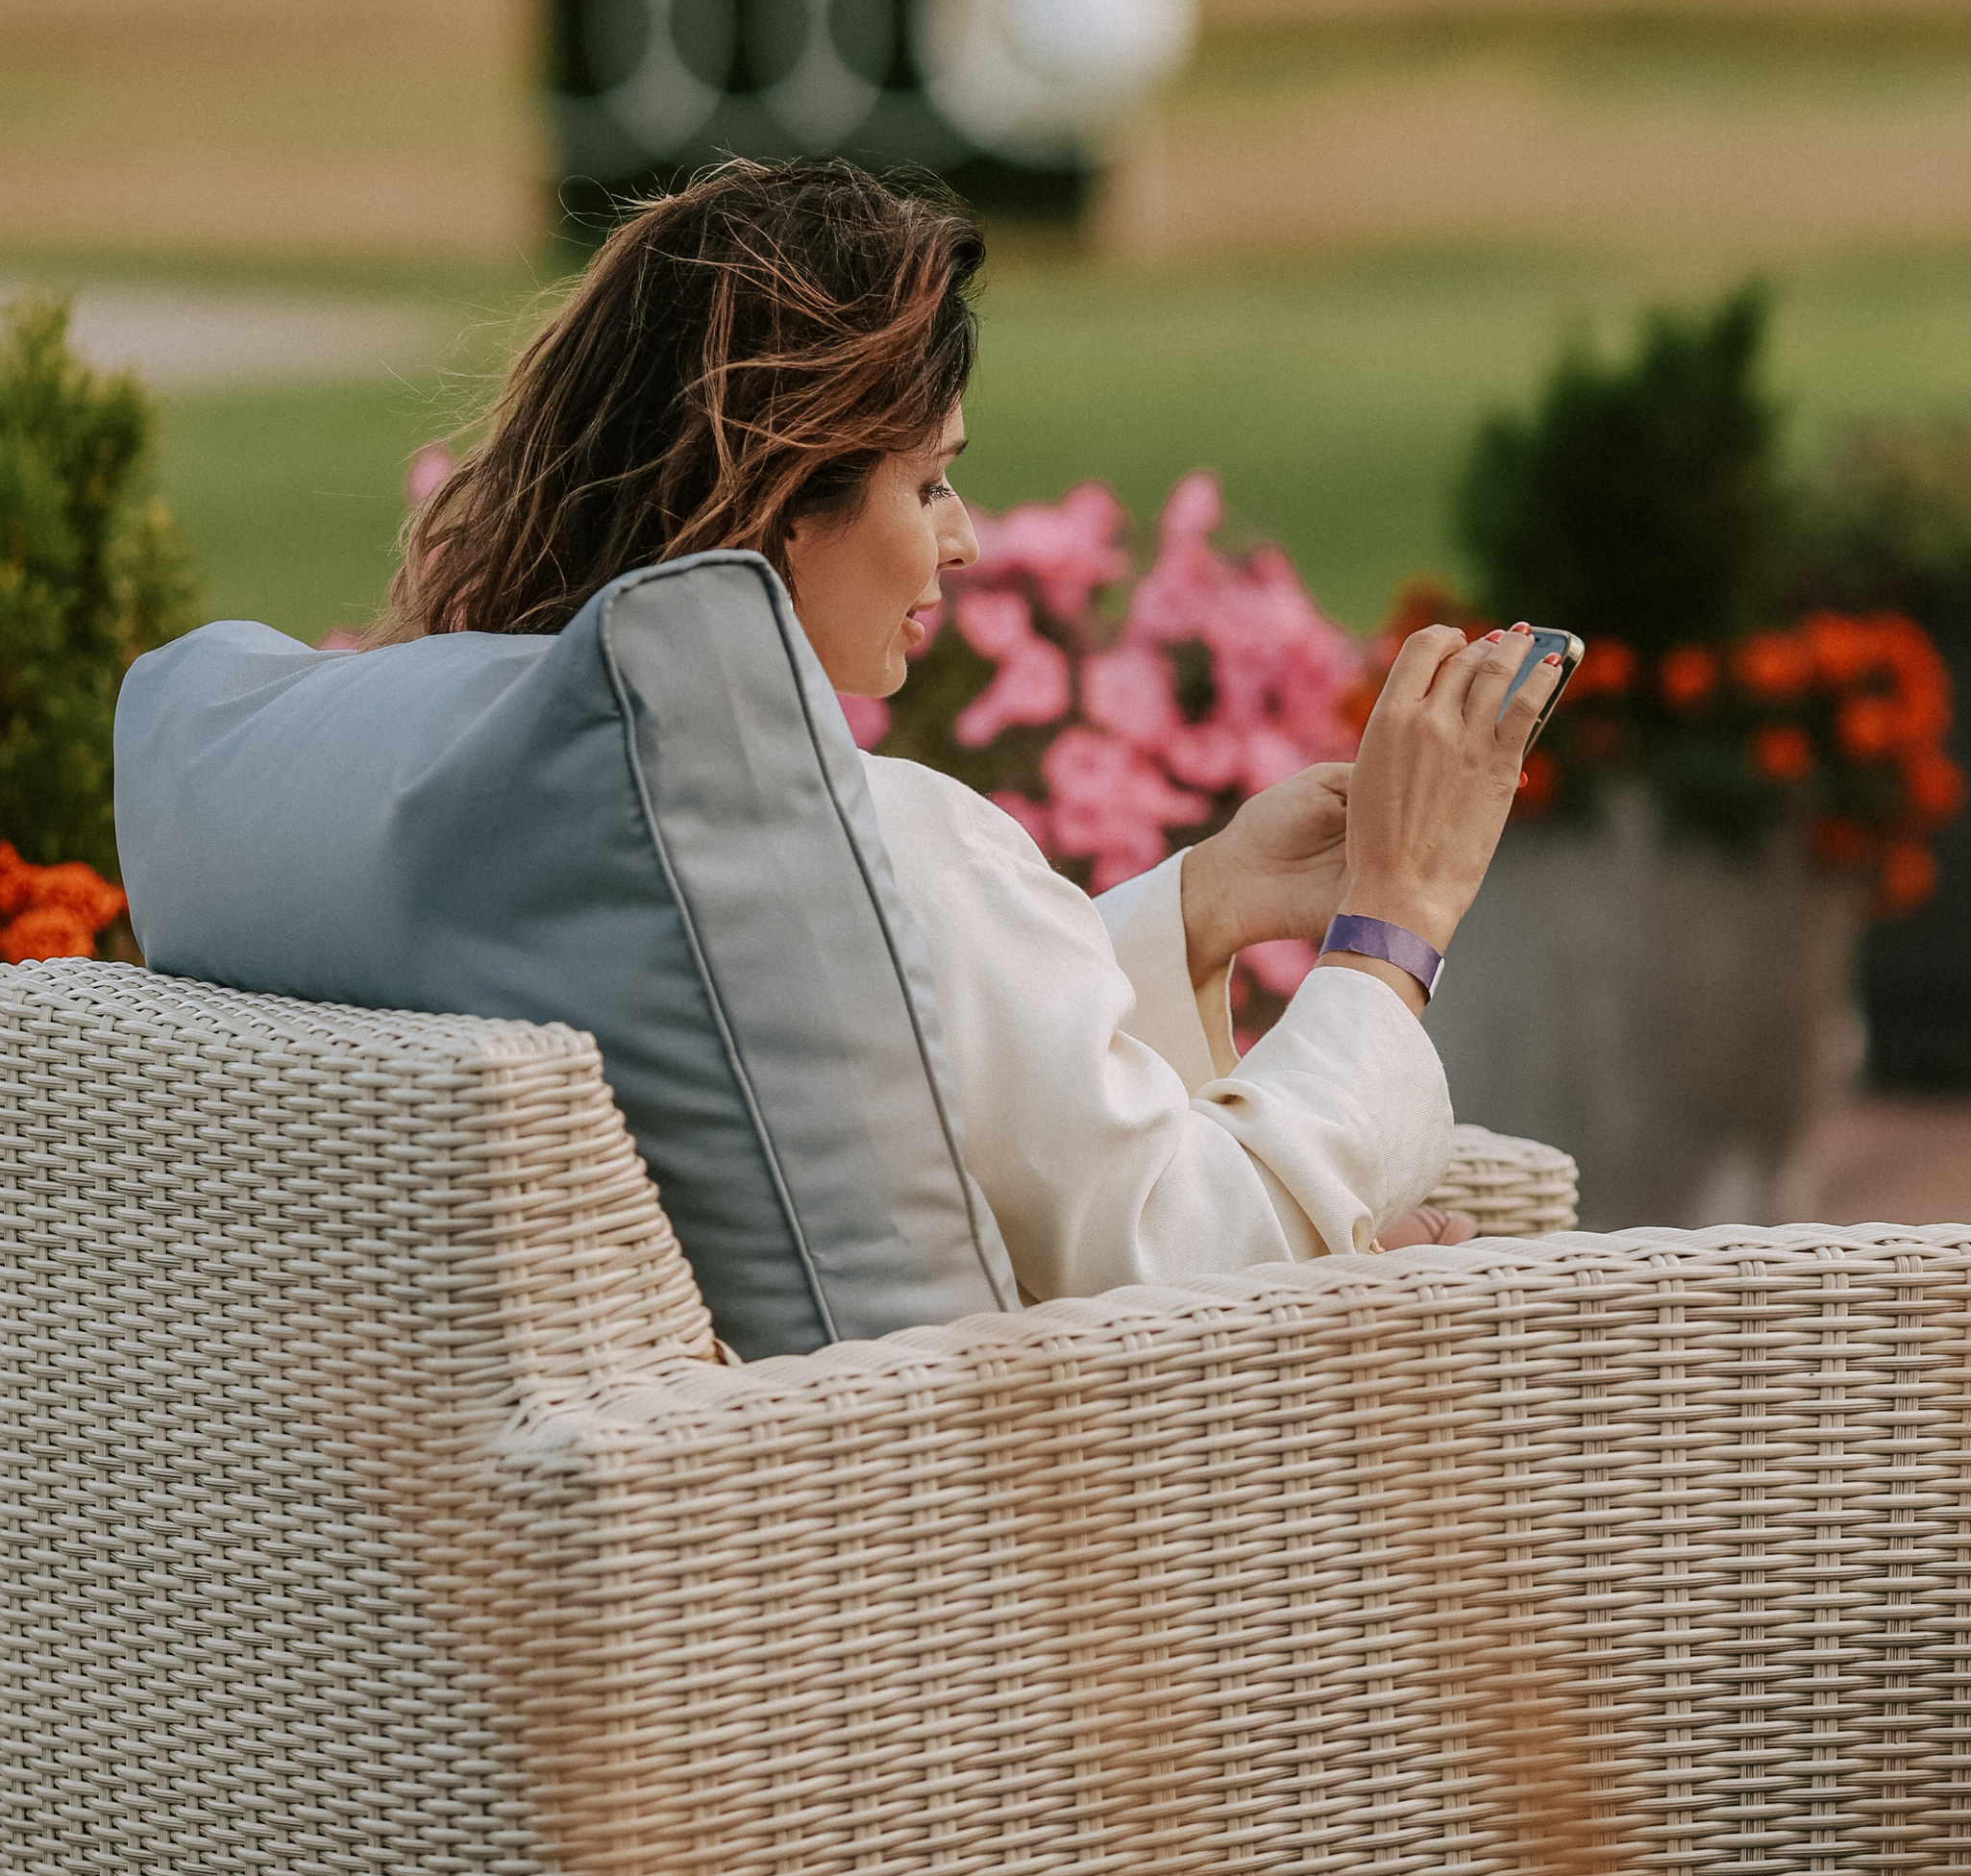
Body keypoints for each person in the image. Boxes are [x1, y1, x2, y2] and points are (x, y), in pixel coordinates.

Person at [390, 159, 1557, 1305]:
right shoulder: (877, 841)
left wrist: (1205, 904)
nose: (964, 543)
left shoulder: (478, 789)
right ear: (783, 498)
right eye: (930, 484)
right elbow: (1188, 1266)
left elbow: (892, 1035)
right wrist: (1391, 931)